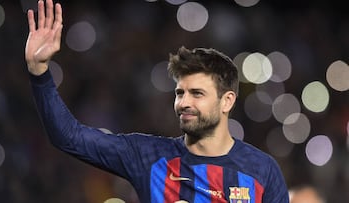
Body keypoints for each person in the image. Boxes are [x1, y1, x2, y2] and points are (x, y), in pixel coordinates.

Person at [25, 0, 289, 202]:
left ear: (227, 101)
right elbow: (68, 137)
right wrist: (39, 73)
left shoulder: (262, 171)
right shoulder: (148, 157)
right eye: (180, 93)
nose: (184, 103)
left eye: (197, 94)